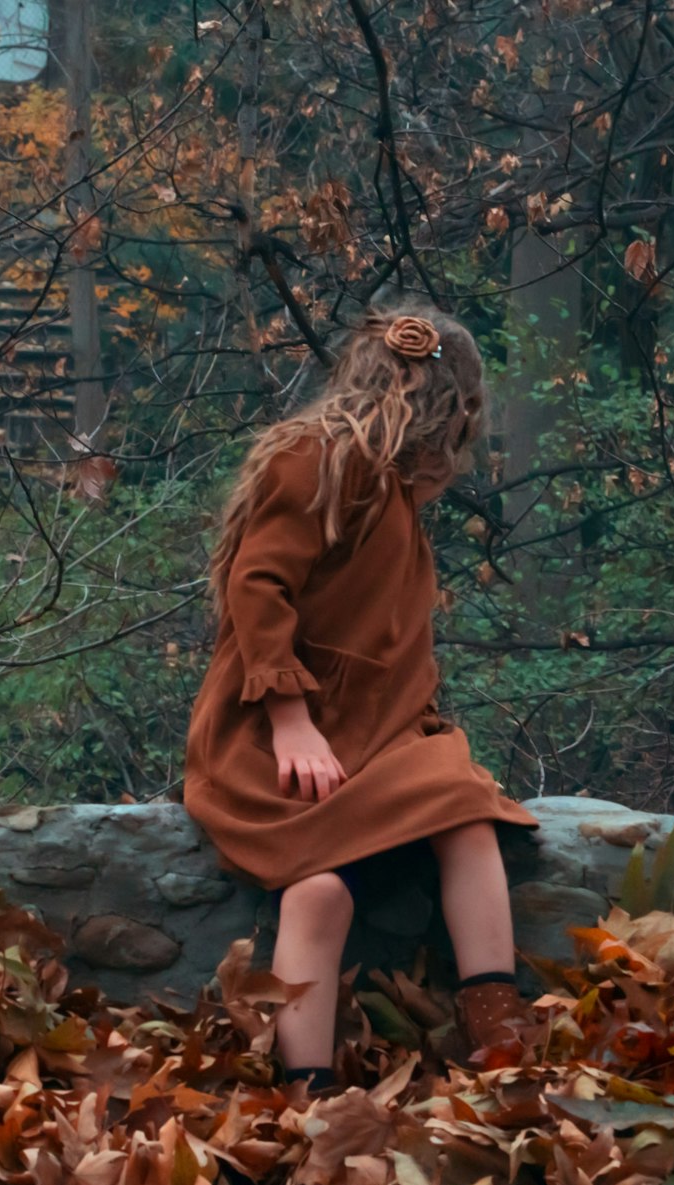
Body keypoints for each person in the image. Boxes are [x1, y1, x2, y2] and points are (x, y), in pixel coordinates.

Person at [183, 303, 541, 1096]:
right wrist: (289, 719)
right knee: (315, 893)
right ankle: (305, 1103)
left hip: (376, 732)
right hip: (277, 736)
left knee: (462, 811)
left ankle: (502, 1030)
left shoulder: (395, 493)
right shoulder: (315, 460)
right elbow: (259, 585)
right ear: (455, 403)